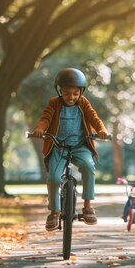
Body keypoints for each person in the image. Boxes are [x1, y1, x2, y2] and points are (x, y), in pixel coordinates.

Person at [31, 68, 108, 231]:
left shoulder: (84, 103)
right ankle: (54, 212)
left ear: (81, 92)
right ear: (60, 91)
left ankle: (87, 206)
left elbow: (94, 118)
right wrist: (39, 129)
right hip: (58, 146)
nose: (71, 97)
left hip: (80, 145)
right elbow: (45, 118)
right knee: (54, 178)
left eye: (75, 93)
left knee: (88, 167)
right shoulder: (54, 103)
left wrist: (101, 130)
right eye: (66, 93)